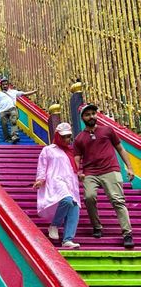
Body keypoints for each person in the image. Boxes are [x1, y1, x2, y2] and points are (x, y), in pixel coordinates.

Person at [74, 102, 135, 249]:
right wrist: (78, 171)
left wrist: (130, 167)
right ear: (83, 118)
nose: (91, 116)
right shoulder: (79, 138)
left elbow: (120, 148)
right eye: (87, 115)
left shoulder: (108, 130)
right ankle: (97, 226)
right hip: (90, 172)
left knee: (117, 200)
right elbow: (77, 157)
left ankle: (127, 233)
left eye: (93, 113)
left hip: (110, 170)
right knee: (89, 197)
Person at [33, 122, 81, 249]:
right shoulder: (48, 150)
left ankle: (67, 239)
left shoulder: (71, 151)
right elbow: (42, 165)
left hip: (71, 182)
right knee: (67, 200)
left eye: (68, 136)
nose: (66, 139)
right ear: (58, 136)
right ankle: (54, 224)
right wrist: (40, 179)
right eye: (64, 136)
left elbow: (75, 167)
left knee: (75, 208)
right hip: (55, 181)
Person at [0, 77, 37, 143]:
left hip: (12, 109)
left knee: (13, 121)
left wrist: (33, 92)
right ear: (1, 85)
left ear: (8, 85)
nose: (5, 86)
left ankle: (14, 135)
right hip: (2, 111)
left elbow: (24, 94)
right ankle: (7, 138)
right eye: (3, 84)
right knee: (4, 124)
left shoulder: (14, 92)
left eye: (6, 84)